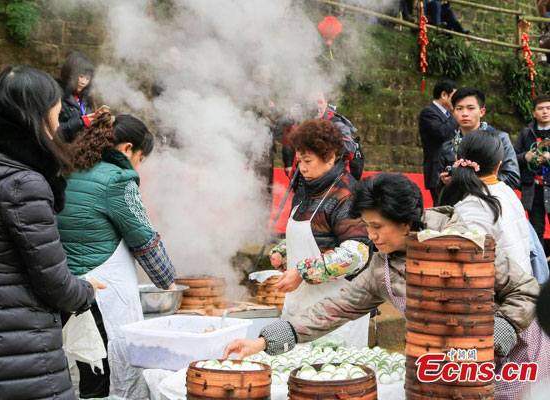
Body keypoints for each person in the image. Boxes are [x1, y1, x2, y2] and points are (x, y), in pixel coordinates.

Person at [225, 172, 549, 400]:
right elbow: (335, 307)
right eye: (367, 226)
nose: (372, 235)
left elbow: (527, 290)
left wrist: (500, 331)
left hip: (514, 354)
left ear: (407, 222)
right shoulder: (382, 266)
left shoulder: (467, 245)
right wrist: (270, 339)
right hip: (449, 364)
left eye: (377, 226)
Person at [0, 65, 105, 400]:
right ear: (36, 112)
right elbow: (54, 283)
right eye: (54, 104)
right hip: (17, 351)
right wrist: (86, 291)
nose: (59, 111)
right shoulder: (24, 183)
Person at [58, 114, 177, 399]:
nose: (138, 166)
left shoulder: (68, 170)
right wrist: (169, 284)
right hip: (99, 300)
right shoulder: (118, 180)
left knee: (79, 373)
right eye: (140, 158)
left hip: (65, 290)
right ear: (126, 149)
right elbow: (144, 239)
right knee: (104, 379)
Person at [268, 119, 371, 349]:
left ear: (330, 157)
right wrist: (283, 252)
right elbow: (313, 233)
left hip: (338, 312)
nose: (302, 168)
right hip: (299, 308)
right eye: (299, 161)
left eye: (307, 161)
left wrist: (303, 273)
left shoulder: (346, 195)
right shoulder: (307, 189)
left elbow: (356, 254)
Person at [439, 130, 533, 275]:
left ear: (457, 159)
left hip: (498, 292)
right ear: (498, 167)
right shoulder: (508, 192)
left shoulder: (472, 206)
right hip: (521, 283)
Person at [439, 87, 520, 190]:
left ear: (482, 112)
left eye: (471, 108)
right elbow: (440, 186)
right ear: (453, 112)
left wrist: (472, 181)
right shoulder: (448, 146)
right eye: (459, 108)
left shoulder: (499, 139)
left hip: (491, 201)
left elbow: (512, 178)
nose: (464, 113)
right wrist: (444, 181)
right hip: (460, 203)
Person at [515, 95, 550, 245]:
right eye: (540, 108)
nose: (545, 112)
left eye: (548, 108)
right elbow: (513, 157)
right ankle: (541, 267)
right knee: (537, 230)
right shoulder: (525, 134)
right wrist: (525, 157)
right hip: (532, 188)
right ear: (534, 113)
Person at [418, 79, 458, 205]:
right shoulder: (428, 112)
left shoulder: (448, 115)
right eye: (454, 97)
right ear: (444, 95)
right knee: (442, 207)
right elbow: (441, 132)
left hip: (451, 166)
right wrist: (456, 115)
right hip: (437, 169)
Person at [58, 51, 107, 142]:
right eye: (81, 76)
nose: (84, 82)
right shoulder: (56, 94)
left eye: (87, 78)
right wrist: (81, 122)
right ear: (69, 73)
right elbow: (53, 130)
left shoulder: (85, 97)